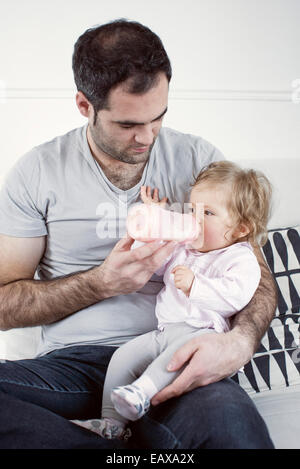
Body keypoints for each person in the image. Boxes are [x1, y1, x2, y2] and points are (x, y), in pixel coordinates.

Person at [0, 19, 276, 449]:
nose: (147, 137)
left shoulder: (199, 160)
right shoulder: (37, 172)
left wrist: (240, 343)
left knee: (231, 430)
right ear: (84, 105)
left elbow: (254, 274)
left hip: (181, 354)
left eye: (158, 117)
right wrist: (100, 283)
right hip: (73, 365)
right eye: (128, 124)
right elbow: (3, 303)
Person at [71, 161, 272, 440]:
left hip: (201, 335)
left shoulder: (240, 258)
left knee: (171, 361)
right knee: (122, 358)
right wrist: (156, 230)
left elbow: (236, 297)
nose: (195, 219)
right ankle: (112, 424)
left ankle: (142, 393)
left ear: (241, 228)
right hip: (165, 331)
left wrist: (195, 286)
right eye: (192, 210)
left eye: (208, 213)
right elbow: (155, 266)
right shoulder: (186, 248)